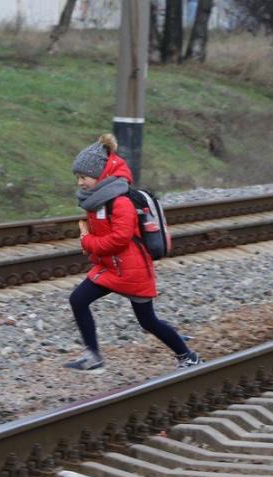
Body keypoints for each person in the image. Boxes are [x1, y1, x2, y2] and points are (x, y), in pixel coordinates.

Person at [64, 134, 202, 372]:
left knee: (148, 320)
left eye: (83, 177)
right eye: (77, 177)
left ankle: (188, 357)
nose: (80, 183)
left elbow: (120, 239)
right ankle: (93, 356)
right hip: (110, 268)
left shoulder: (120, 202)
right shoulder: (96, 201)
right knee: (78, 299)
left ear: (100, 175)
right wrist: (90, 241)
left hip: (132, 271)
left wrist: (88, 242)